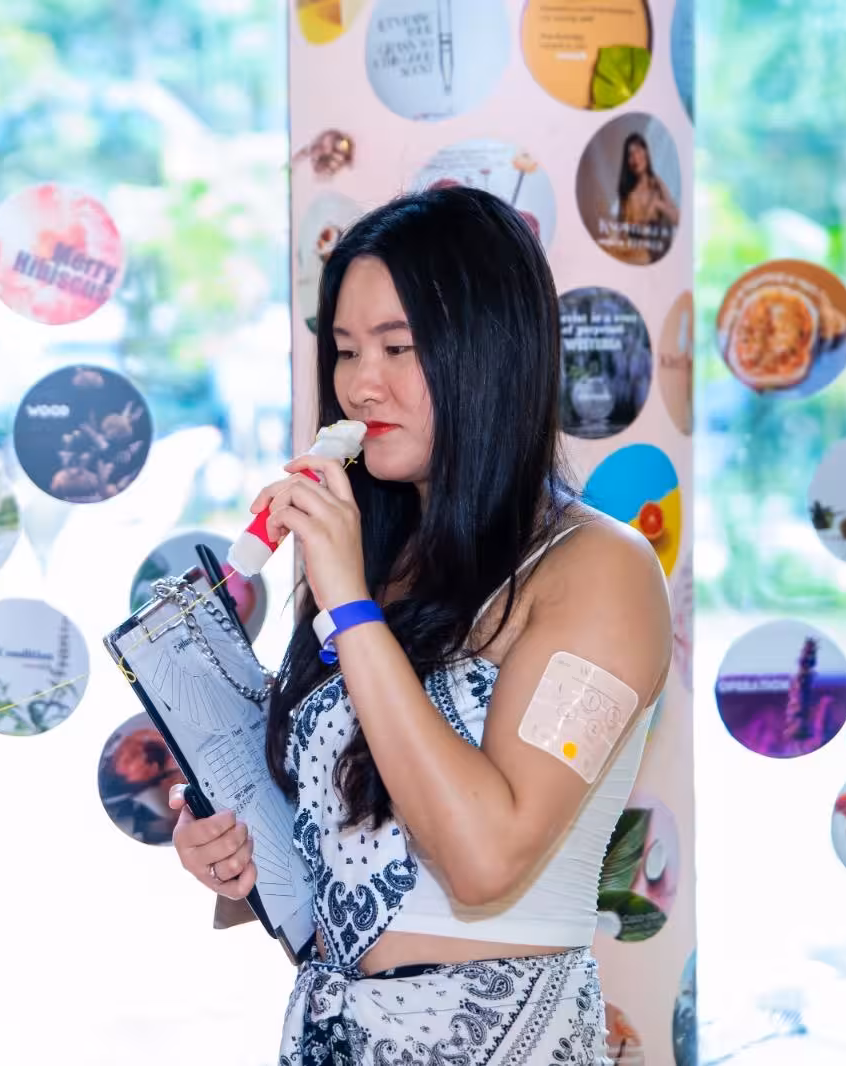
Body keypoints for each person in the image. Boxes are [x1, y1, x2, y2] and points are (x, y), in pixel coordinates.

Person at [168, 186, 671, 1065]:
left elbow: (486, 860)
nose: (362, 384)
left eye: (399, 348)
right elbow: (350, 850)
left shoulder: (602, 570)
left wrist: (349, 606)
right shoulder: (382, 555)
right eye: (347, 350)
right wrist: (230, 849)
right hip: (334, 1029)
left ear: (491, 354)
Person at [614, 131, 680, 265]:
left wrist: (658, 205)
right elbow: (620, 229)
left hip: (652, 253)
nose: (635, 158)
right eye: (630, 155)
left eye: (638, 151)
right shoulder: (627, 190)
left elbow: (677, 218)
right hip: (630, 248)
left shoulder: (657, 184)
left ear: (646, 153)